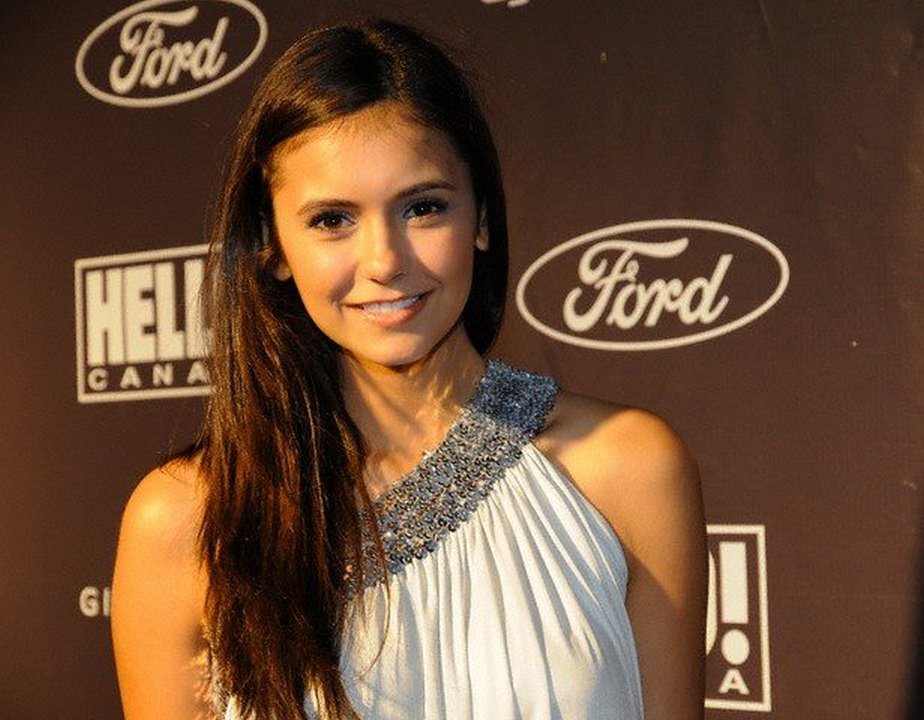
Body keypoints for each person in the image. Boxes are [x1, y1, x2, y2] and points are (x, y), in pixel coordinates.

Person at [111, 18, 707, 720]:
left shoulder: (628, 471)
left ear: (481, 219)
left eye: (423, 208)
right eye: (332, 220)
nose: (385, 261)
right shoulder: (185, 519)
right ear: (272, 247)